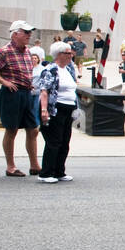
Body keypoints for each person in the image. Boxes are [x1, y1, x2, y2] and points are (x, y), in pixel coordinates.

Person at [0, 21, 41, 177]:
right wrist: (4, 82)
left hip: (26, 93)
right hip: (11, 94)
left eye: (29, 32)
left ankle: (34, 165)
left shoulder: (27, 51)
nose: (29, 35)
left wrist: (29, 83)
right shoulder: (4, 51)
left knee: (33, 129)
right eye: (25, 32)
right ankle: (10, 166)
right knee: (11, 129)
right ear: (15, 34)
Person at [33, 41, 79, 182]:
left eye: (71, 53)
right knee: (54, 141)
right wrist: (44, 110)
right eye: (68, 53)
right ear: (59, 55)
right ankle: (46, 173)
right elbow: (44, 91)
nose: (71, 56)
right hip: (56, 109)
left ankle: (59, 171)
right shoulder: (50, 70)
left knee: (65, 141)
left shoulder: (69, 69)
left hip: (68, 108)